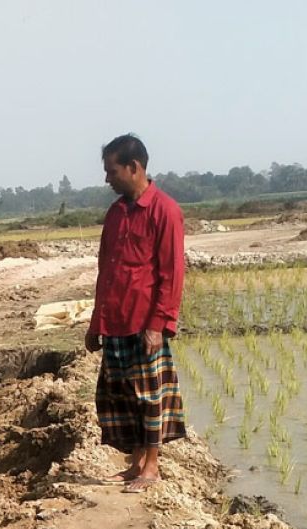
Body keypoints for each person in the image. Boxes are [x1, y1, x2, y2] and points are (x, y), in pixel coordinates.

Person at [85, 134, 187, 493]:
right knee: (120, 396)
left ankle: (152, 467)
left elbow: (171, 274)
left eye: (112, 171)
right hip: (115, 319)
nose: (107, 179)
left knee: (149, 395)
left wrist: (159, 324)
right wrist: (96, 321)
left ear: (134, 167)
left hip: (144, 321)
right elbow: (106, 270)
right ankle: (134, 463)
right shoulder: (115, 214)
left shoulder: (165, 211)